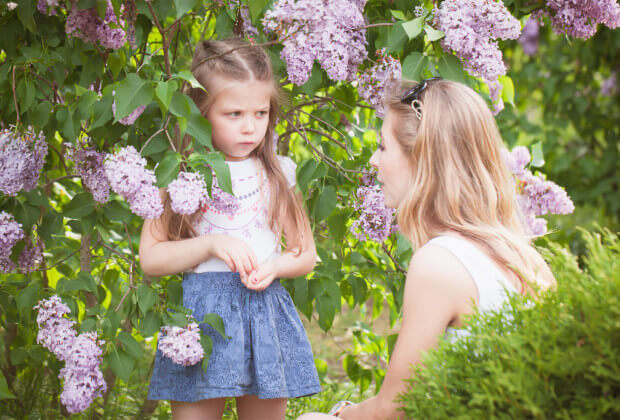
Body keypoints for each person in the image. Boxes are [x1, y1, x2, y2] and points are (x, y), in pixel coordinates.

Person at [299, 78, 555, 420]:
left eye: (383, 147)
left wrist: (337, 414)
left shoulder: (439, 262)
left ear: (422, 159)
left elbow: (394, 409)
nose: (373, 161)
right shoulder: (525, 257)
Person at [139, 38, 321, 420]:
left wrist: (276, 266)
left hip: (264, 314)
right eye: (234, 113)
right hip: (202, 321)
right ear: (201, 111)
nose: (250, 127)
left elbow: (306, 254)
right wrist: (211, 244)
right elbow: (152, 259)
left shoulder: (279, 174)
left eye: (260, 113)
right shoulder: (179, 173)